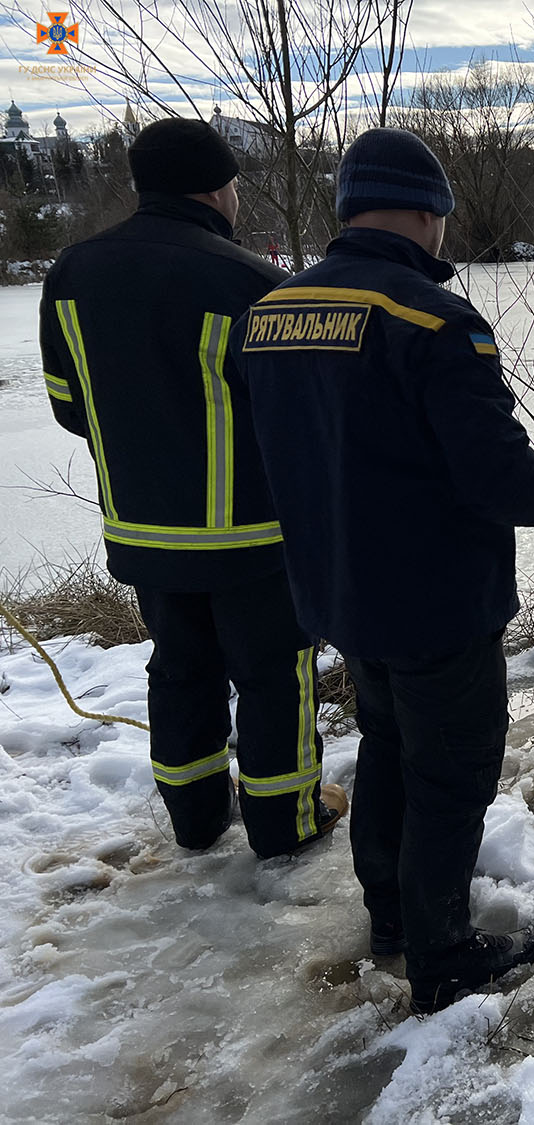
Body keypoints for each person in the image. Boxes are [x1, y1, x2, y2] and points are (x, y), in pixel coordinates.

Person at [231, 127, 534, 1014]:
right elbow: (492, 475)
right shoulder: (435, 319)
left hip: (340, 594)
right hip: (436, 601)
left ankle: (394, 917)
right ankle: (442, 953)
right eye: (443, 214)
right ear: (430, 211)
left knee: (391, 753)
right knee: (453, 770)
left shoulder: (271, 314)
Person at [38, 117, 345, 859]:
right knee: (275, 676)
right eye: (235, 184)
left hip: (141, 531)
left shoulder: (72, 275)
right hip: (249, 537)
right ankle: (286, 820)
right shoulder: (251, 283)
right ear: (215, 187)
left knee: (180, 671)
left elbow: (68, 407)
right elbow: (303, 423)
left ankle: (196, 819)